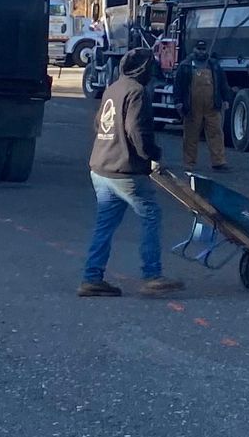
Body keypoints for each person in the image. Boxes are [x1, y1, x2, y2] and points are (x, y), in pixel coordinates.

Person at [80, 40, 175, 298]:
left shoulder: (113, 88)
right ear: (143, 70)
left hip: (100, 167)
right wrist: (151, 155)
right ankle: (152, 274)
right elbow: (136, 130)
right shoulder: (136, 92)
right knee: (151, 214)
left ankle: (92, 277)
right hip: (125, 170)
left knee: (105, 223)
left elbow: (99, 122)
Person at [180, 43, 228, 173]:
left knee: (216, 133)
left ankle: (219, 162)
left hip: (212, 107)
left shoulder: (214, 65)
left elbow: (223, 83)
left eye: (203, 49)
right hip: (192, 107)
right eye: (199, 49)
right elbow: (179, 85)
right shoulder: (185, 66)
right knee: (190, 136)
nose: (201, 52)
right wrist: (178, 102)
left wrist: (226, 99)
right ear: (194, 49)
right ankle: (189, 163)